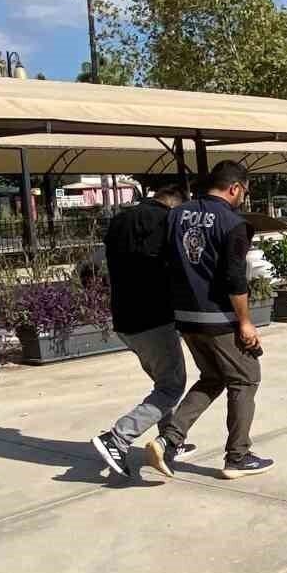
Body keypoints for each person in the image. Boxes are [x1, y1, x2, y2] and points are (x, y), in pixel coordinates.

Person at [145, 160, 274, 480]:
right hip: (219, 317)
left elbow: (161, 262)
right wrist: (245, 322)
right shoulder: (233, 223)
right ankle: (238, 457)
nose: (243, 198)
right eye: (245, 192)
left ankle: (168, 441)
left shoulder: (175, 215)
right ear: (235, 188)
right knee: (246, 378)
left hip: (186, 317)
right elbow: (235, 279)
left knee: (214, 377)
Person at [92, 182, 190, 480]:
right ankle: (118, 437)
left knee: (163, 382)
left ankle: (170, 441)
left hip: (124, 319)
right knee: (172, 386)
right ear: (176, 203)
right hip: (154, 317)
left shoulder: (120, 220)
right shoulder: (168, 221)